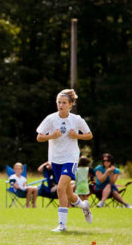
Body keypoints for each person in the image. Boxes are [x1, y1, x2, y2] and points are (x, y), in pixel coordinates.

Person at [36, 88, 94, 232]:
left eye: (64, 102)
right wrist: (51, 136)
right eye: (59, 102)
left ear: (70, 104)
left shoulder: (77, 119)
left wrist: (77, 136)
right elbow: (39, 137)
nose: (61, 105)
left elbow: (89, 135)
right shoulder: (50, 119)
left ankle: (62, 225)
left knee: (60, 188)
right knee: (68, 194)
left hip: (71, 158)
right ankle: (83, 206)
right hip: (55, 159)